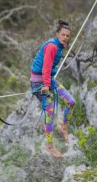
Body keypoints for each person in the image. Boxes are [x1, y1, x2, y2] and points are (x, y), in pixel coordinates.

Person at [30, 20, 76, 158]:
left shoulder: (59, 47)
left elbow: (50, 69)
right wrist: (45, 85)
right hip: (39, 83)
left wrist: (49, 81)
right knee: (49, 111)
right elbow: (45, 68)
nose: (65, 38)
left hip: (49, 80)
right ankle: (50, 146)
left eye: (68, 36)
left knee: (71, 102)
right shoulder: (52, 47)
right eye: (63, 35)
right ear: (57, 34)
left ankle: (64, 126)